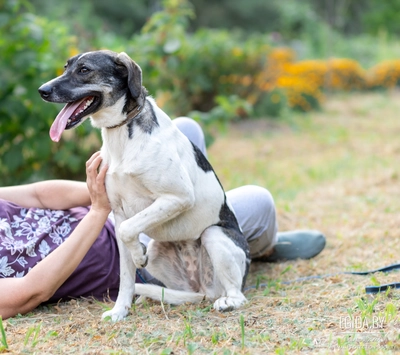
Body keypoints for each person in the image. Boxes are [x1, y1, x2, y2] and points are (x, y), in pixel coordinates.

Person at [0, 118, 326, 320]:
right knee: (260, 202)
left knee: (183, 129)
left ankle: (231, 242)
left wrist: (115, 188)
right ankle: (259, 247)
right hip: (142, 262)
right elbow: (32, 291)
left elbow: (40, 196)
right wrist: (100, 211)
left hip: (124, 217)